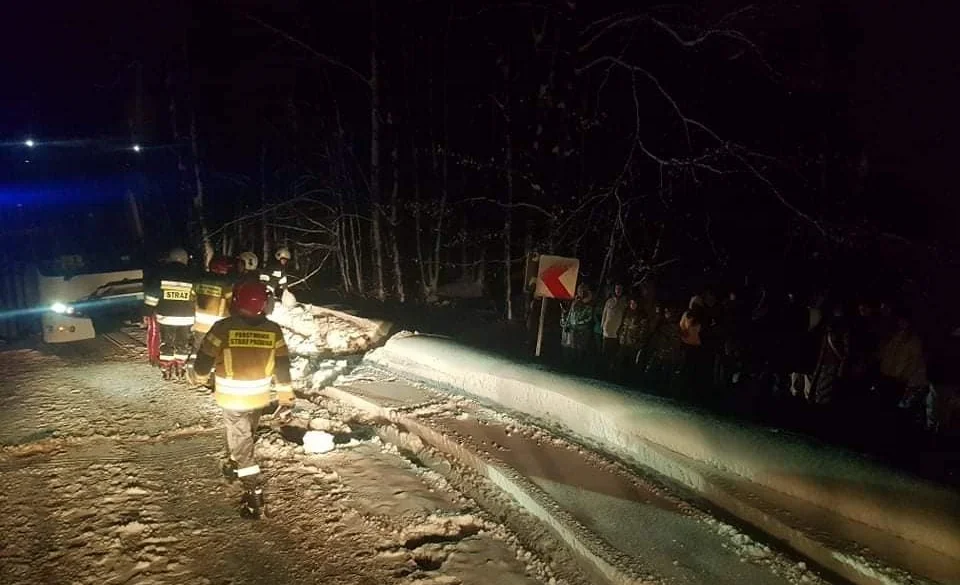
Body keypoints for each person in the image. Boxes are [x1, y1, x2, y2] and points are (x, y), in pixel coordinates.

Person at [188, 280, 294, 519]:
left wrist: (198, 377)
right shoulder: (273, 330)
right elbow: (283, 366)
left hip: (233, 396)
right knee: (245, 435)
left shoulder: (222, 328)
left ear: (236, 301)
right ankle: (234, 463)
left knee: (242, 442)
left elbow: (204, 361)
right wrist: (286, 395)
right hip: (259, 397)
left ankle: (253, 494)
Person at [144, 247, 197, 381]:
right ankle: (180, 368)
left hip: (166, 316)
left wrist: (148, 310)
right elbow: (197, 294)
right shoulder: (192, 274)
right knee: (183, 343)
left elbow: (153, 294)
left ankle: (166, 368)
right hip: (186, 317)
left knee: (167, 343)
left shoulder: (162, 272)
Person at [193, 255, 234, 337]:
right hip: (217, 324)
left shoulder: (200, 278)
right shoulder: (226, 283)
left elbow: (192, 295)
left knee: (197, 344)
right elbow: (230, 303)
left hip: (198, 321)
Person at [600, 283, 628, 373]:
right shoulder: (609, 301)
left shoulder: (624, 302)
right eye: (617, 288)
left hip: (616, 332)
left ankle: (611, 370)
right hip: (607, 330)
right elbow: (604, 313)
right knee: (605, 351)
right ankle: (602, 369)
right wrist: (602, 325)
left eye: (620, 288)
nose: (618, 290)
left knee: (613, 352)